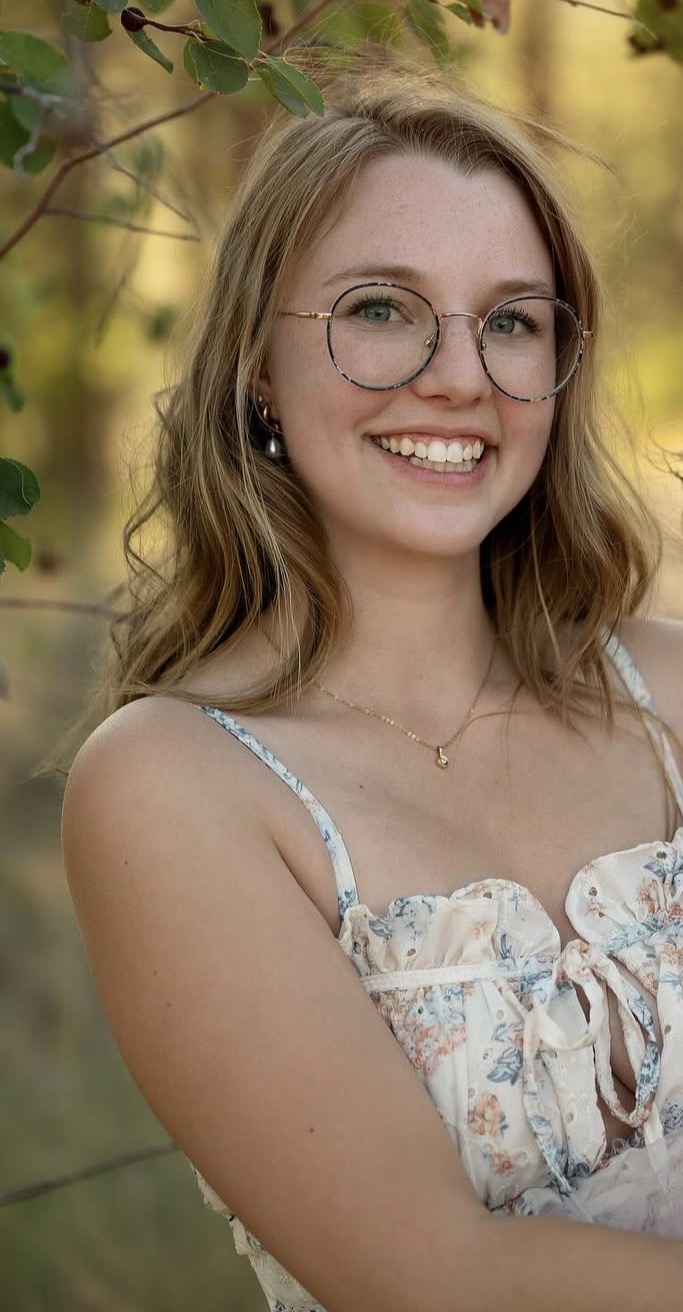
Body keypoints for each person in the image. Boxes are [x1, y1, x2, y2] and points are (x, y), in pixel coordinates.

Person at [62, 64, 683, 1312]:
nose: (459, 378)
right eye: (382, 309)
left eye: (511, 321)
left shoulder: (667, 687)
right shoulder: (173, 785)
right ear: (255, 361)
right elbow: (433, 1277)